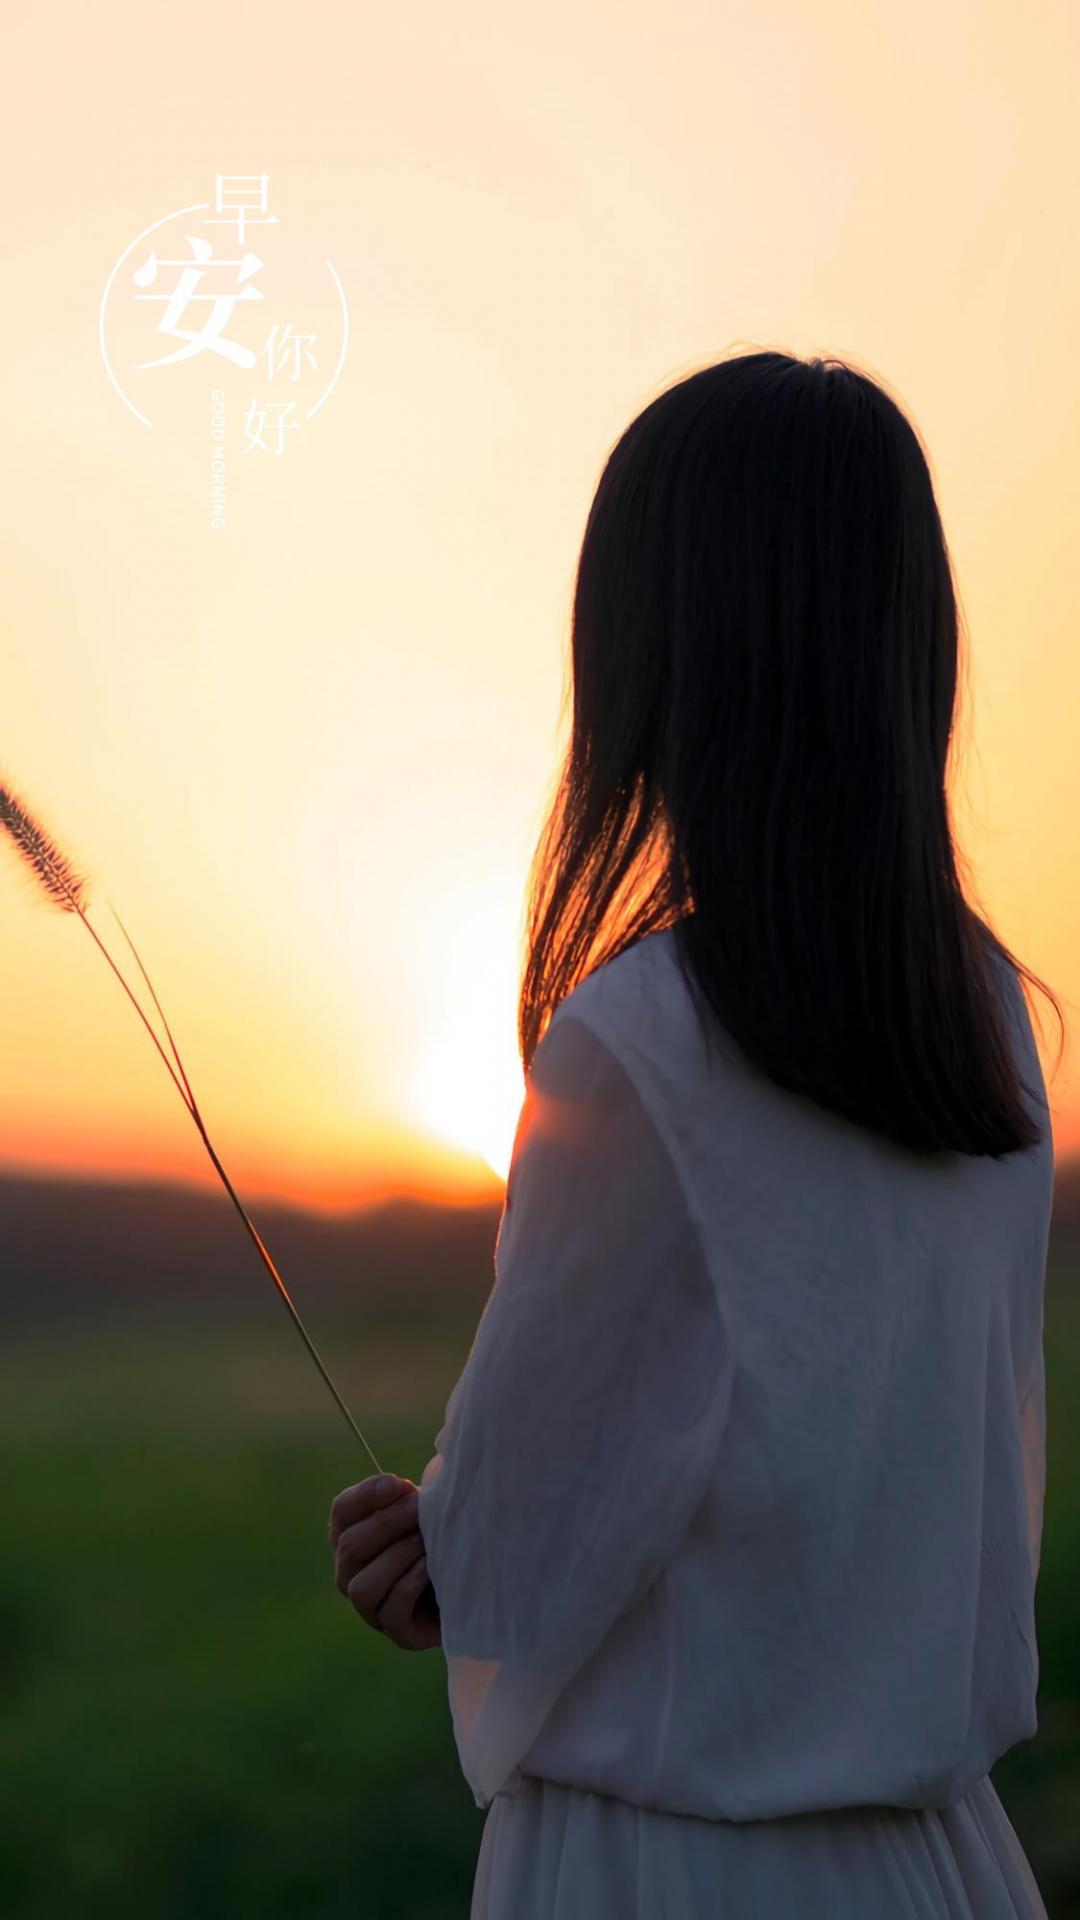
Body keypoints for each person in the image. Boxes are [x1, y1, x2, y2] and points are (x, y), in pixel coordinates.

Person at [327, 348, 1062, 1916]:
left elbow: (519, 1565)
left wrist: (434, 1548)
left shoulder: (642, 1040)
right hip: (941, 1865)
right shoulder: (993, 1025)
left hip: (667, 1867)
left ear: (656, 643)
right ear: (904, 647)